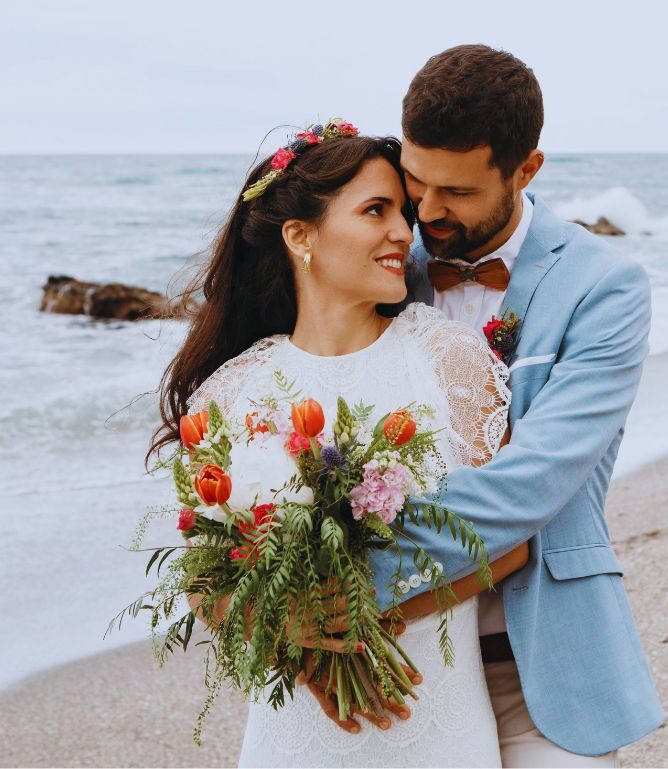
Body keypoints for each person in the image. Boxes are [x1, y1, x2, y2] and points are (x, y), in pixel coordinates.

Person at [312, 45, 665, 767]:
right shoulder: (376, 266)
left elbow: (535, 477)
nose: (428, 210)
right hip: (390, 667)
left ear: (526, 169)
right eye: (416, 180)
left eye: (459, 191)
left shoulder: (605, 286)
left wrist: (358, 580)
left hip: (535, 667)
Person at [153, 125, 526, 767]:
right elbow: (203, 581)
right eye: (376, 211)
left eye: (403, 214)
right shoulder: (229, 394)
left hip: (436, 722)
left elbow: (510, 542)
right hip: (296, 733)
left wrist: (367, 620)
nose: (404, 233)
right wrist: (290, 634)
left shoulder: (451, 361)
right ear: (301, 236)